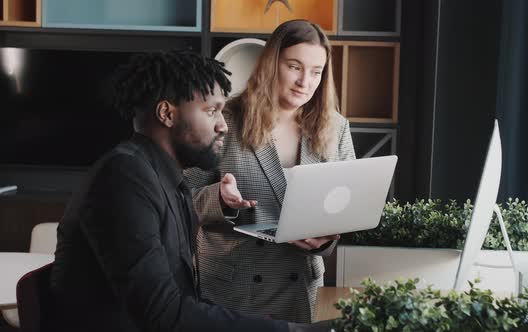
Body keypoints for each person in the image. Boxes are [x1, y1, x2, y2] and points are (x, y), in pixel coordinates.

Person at [49, 50, 327, 332]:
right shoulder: (123, 179)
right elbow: (163, 314)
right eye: (211, 111)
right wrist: (291, 331)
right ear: (167, 114)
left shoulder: (163, 178)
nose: (222, 126)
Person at [185, 19, 356, 323]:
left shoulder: (337, 127)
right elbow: (182, 199)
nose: (305, 81)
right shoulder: (227, 120)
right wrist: (220, 199)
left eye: (316, 72)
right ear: (271, 64)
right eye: (294, 66)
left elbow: (345, 207)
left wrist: (327, 237)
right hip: (232, 291)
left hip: (298, 288)